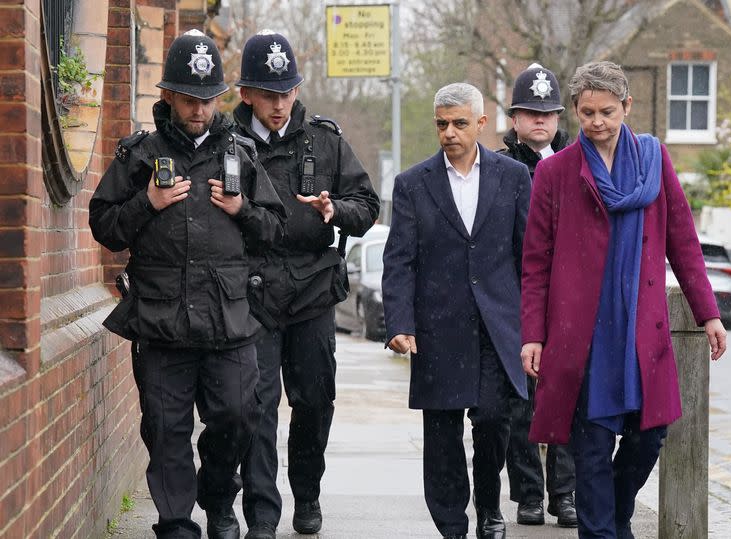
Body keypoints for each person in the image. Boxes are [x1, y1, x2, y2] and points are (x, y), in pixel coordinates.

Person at [89, 30, 286, 539]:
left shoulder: (241, 152)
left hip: (229, 319)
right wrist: (146, 204)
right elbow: (105, 227)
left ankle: (219, 499)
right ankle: (176, 523)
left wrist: (242, 209)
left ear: (219, 98)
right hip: (160, 318)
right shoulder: (140, 154)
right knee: (164, 428)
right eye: (188, 99)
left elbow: (274, 229)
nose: (198, 110)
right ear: (168, 97)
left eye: (207, 99)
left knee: (238, 417)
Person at [520, 60, 727, 539]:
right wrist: (533, 334)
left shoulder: (655, 160)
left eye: (607, 112)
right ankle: (603, 531)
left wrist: (708, 313)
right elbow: (536, 262)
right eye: (587, 112)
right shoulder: (554, 173)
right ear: (574, 110)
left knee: (649, 435)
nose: (597, 122)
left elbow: (684, 241)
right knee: (590, 445)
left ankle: (611, 516)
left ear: (627, 106)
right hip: (583, 334)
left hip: (642, 330)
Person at [232, 31, 380, 539]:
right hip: (252, 291)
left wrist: (336, 209)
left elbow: (368, 207)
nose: (279, 105)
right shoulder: (230, 143)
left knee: (314, 400)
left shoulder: (325, 140)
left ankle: (308, 493)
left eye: (287, 92)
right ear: (246, 93)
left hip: (313, 289)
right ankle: (262, 513)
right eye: (268, 94)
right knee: (255, 404)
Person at [382, 83, 530, 539]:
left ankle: (489, 506)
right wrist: (400, 324)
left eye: (460, 123)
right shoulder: (412, 184)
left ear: (481, 124)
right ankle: (451, 524)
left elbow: (528, 257)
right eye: (442, 124)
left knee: (491, 420)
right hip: (437, 328)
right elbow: (399, 259)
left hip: (496, 328)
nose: (449, 132)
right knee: (442, 434)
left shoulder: (513, 177)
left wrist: (533, 328)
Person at [497, 63, 577, 528]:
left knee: (564, 398)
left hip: (566, 301)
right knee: (519, 406)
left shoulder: (577, 163)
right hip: (514, 301)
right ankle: (528, 493)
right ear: (514, 119)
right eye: (530, 112)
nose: (540, 121)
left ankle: (564, 494)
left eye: (547, 112)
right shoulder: (498, 166)